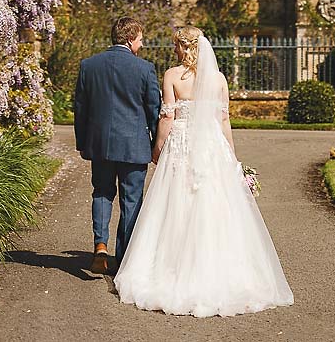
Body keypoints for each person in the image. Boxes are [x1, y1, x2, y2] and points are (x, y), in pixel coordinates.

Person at [113, 26, 293, 317]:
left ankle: (173, 267)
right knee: (215, 205)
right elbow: (224, 122)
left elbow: (167, 119)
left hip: (181, 145)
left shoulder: (172, 76)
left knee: (176, 205)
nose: (173, 50)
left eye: (176, 45)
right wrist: (232, 158)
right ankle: (218, 268)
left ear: (186, 47)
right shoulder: (219, 79)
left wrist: (157, 148)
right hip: (212, 147)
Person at [74, 16, 161, 274]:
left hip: (100, 144)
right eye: (140, 40)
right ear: (130, 39)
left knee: (102, 192)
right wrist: (157, 143)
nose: (142, 45)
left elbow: (80, 108)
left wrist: (82, 142)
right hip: (134, 146)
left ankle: (100, 247)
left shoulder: (89, 65)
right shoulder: (144, 69)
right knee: (131, 199)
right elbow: (153, 108)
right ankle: (124, 258)